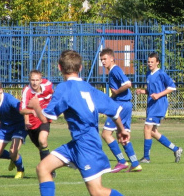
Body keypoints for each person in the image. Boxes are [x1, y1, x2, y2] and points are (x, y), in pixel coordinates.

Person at [27, 50, 129, 196]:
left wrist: (36, 105)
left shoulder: (64, 88)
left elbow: (45, 118)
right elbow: (114, 110)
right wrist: (121, 129)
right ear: (80, 68)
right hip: (77, 143)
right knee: (43, 168)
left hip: (87, 145)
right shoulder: (88, 88)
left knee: (97, 191)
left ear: (59, 68)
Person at [135, 52, 182, 163]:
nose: (150, 64)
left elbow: (172, 87)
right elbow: (152, 91)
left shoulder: (161, 74)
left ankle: (146, 157)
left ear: (157, 62)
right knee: (152, 132)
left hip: (159, 105)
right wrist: (143, 91)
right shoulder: (148, 74)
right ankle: (176, 149)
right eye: (148, 62)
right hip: (151, 105)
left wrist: (158, 95)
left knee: (147, 128)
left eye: (152, 62)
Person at [99, 48, 142, 173]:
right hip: (125, 105)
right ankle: (135, 163)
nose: (103, 62)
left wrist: (116, 92)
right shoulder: (113, 71)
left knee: (106, 134)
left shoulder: (115, 70)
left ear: (112, 58)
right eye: (101, 59)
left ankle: (122, 161)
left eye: (105, 59)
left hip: (120, 106)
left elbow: (128, 84)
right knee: (122, 135)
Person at [0, 79, 27, 179]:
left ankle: (20, 170)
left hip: (19, 125)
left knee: (13, 151)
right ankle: (15, 157)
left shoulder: (9, 99)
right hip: (5, 128)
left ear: (1, 90)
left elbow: (21, 108)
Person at [19, 70, 55, 176]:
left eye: (37, 80)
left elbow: (55, 93)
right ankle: (50, 168)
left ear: (41, 80)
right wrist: (31, 111)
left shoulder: (47, 85)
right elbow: (22, 110)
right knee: (41, 148)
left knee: (42, 141)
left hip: (44, 118)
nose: (34, 83)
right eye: (32, 80)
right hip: (32, 123)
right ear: (29, 80)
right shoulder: (26, 91)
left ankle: (48, 171)